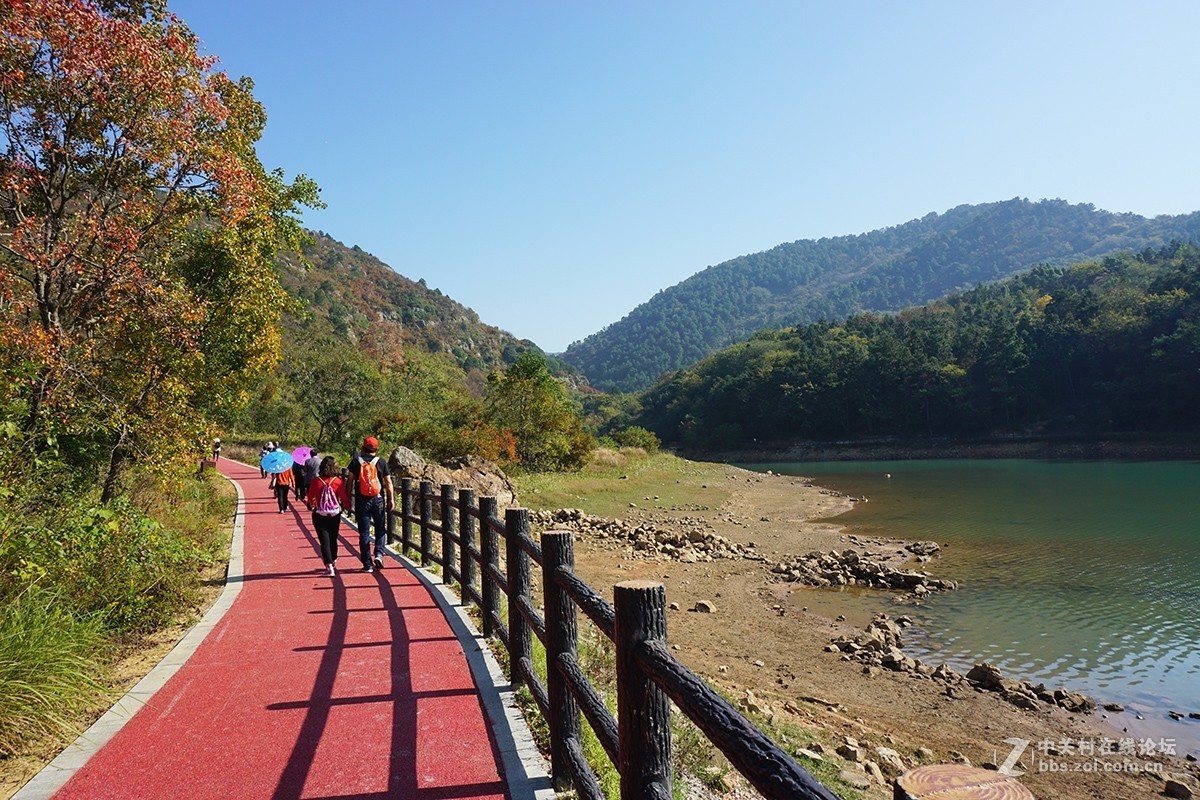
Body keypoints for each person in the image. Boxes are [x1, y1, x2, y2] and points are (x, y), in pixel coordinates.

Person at [348, 436, 393, 572]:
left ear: (363, 447)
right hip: (378, 499)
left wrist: (348, 498)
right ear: (376, 448)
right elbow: (388, 483)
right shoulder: (381, 462)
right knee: (380, 528)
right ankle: (379, 554)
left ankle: (367, 564)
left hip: (362, 501)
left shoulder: (356, 462)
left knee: (364, 533)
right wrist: (391, 499)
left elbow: (349, 481)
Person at [306, 456, 350, 577]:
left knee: (324, 540)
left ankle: (328, 565)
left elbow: (310, 496)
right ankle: (334, 559)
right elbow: (344, 497)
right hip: (335, 514)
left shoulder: (316, 481)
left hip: (320, 514)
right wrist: (348, 506)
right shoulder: (338, 481)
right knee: (333, 538)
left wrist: (311, 504)